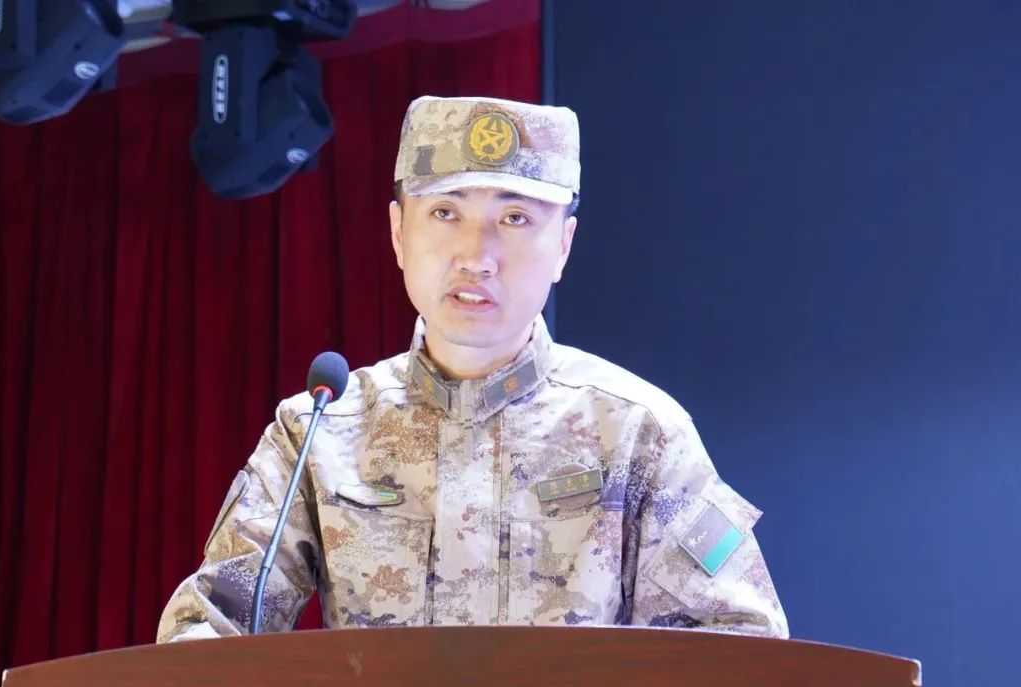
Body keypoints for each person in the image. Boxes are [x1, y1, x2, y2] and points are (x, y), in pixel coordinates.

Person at [157, 96, 789, 640]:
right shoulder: (319, 433)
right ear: (398, 233)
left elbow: (740, 650)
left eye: (514, 218)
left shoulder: (637, 432)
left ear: (562, 245)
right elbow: (206, 635)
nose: (476, 255)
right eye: (445, 213)